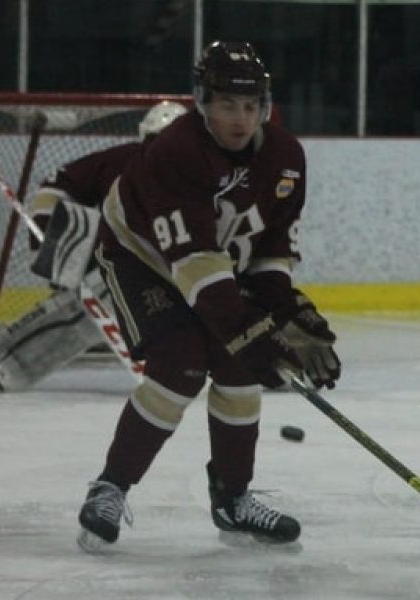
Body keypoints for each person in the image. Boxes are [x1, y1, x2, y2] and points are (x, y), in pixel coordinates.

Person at [75, 41, 341, 551]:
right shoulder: (177, 152)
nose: (240, 119)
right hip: (140, 259)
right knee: (181, 363)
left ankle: (234, 500)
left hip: (213, 264)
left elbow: (268, 251)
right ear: (201, 103)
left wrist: (288, 315)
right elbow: (198, 270)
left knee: (239, 367)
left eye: (250, 106)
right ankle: (111, 486)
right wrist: (254, 335)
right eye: (226, 105)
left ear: (264, 106)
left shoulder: (286, 158)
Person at [0, 101, 188, 391]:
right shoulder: (120, 161)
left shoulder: (206, 177)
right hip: (115, 266)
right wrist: (52, 235)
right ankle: (8, 361)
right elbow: (58, 184)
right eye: (156, 140)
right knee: (94, 299)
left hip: (177, 272)